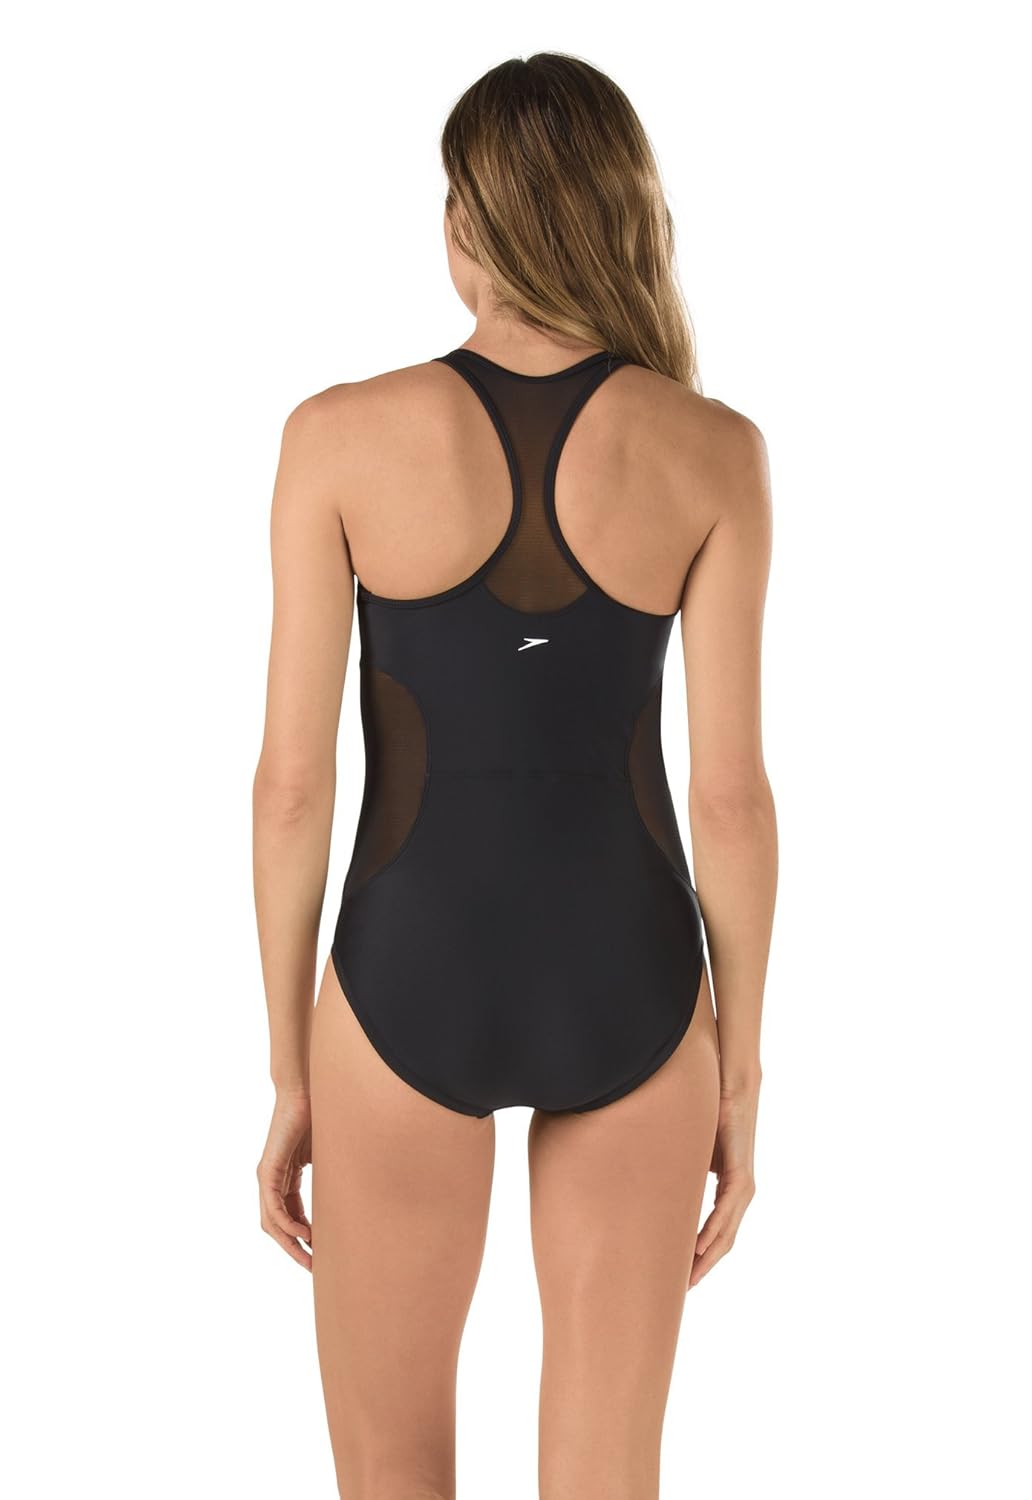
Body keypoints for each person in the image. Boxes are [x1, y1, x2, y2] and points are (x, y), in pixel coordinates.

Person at [252, 50, 777, 1500]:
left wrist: (293, 1070)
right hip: (635, 987)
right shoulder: (714, 452)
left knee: (391, 1476)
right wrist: (739, 1072)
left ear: (464, 222)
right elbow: (730, 800)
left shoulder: (335, 439)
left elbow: (291, 787)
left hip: (403, 981)